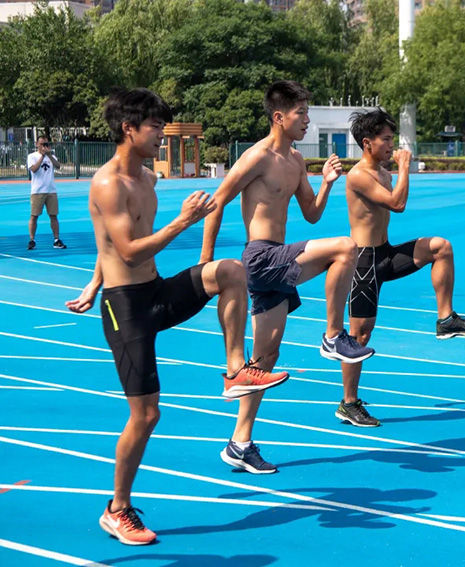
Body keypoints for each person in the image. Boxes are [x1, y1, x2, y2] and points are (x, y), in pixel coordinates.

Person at [65, 88, 288, 546]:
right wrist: (183, 222)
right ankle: (118, 509)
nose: (161, 137)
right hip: (125, 308)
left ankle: (235, 369)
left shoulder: (146, 178)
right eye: (154, 128)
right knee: (146, 415)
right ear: (128, 129)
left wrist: (92, 280)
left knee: (230, 271)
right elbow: (126, 249)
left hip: (155, 291)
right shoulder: (109, 184)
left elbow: (109, 242)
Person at [201, 80, 374, 475]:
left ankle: (239, 443)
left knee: (263, 362)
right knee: (346, 248)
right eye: (301, 113)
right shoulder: (257, 157)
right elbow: (217, 202)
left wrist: (326, 183)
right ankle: (334, 336)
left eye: (308, 113)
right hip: (261, 256)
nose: (307, 120)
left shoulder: (296, 161)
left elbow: (311, 214)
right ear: (279, 117)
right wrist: (206, 263)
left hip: (276, 262)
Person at [342, 109, 465, 427]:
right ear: (367, 142)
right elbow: (397, 204)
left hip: (386, 253)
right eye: (386, 139)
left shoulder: (382, 171)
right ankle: (349, 403)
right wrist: (404, 167)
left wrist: (398, 171)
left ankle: (446, 319)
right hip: (364, 263)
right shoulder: (358, 175)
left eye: (392, 139)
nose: (392, 145)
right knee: (359, 337)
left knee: (440, 247)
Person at [27, 135, 66, 250]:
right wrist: (42, 156)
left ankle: (56, 240)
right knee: (34, 216)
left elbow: (58, 166)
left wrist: (48, 155)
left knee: (53, 216)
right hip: (37, 191)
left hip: (51, 190)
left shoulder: (51, 156)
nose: (44, 146)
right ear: (37, 144)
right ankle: (32, 240)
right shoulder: (32, 156)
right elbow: (34, 169)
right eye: (42, 144)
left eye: (46, 144)